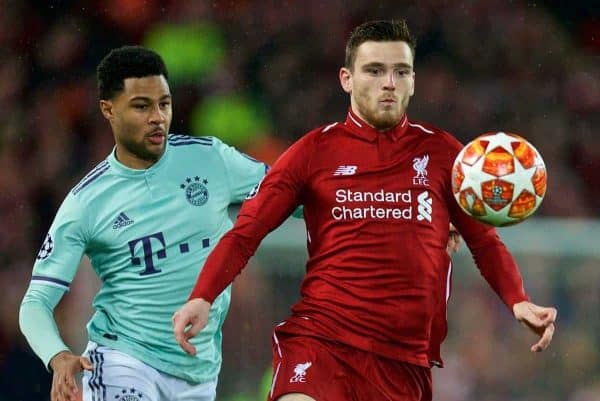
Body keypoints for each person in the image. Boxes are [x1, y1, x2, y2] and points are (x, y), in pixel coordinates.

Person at [172, 19, 557, 401]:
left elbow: (484, 241)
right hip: (322, 342)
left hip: (404, 362)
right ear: (346, 79)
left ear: (412, 81)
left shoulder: (444, 155)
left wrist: (517, 299)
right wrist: (202, 295)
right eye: (374, 70)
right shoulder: (313, 153)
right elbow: (246, 232)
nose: (388, 82)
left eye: (400, 71)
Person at [19, 46, 269, 401]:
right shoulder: (86, 202)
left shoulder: (211, 159)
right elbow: (35, 303)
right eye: (141, 106)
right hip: (124, 362)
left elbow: (288, 194)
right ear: (108, 109)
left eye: (164, 104)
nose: (157, 117)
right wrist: (58, 357)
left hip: (199, 372)